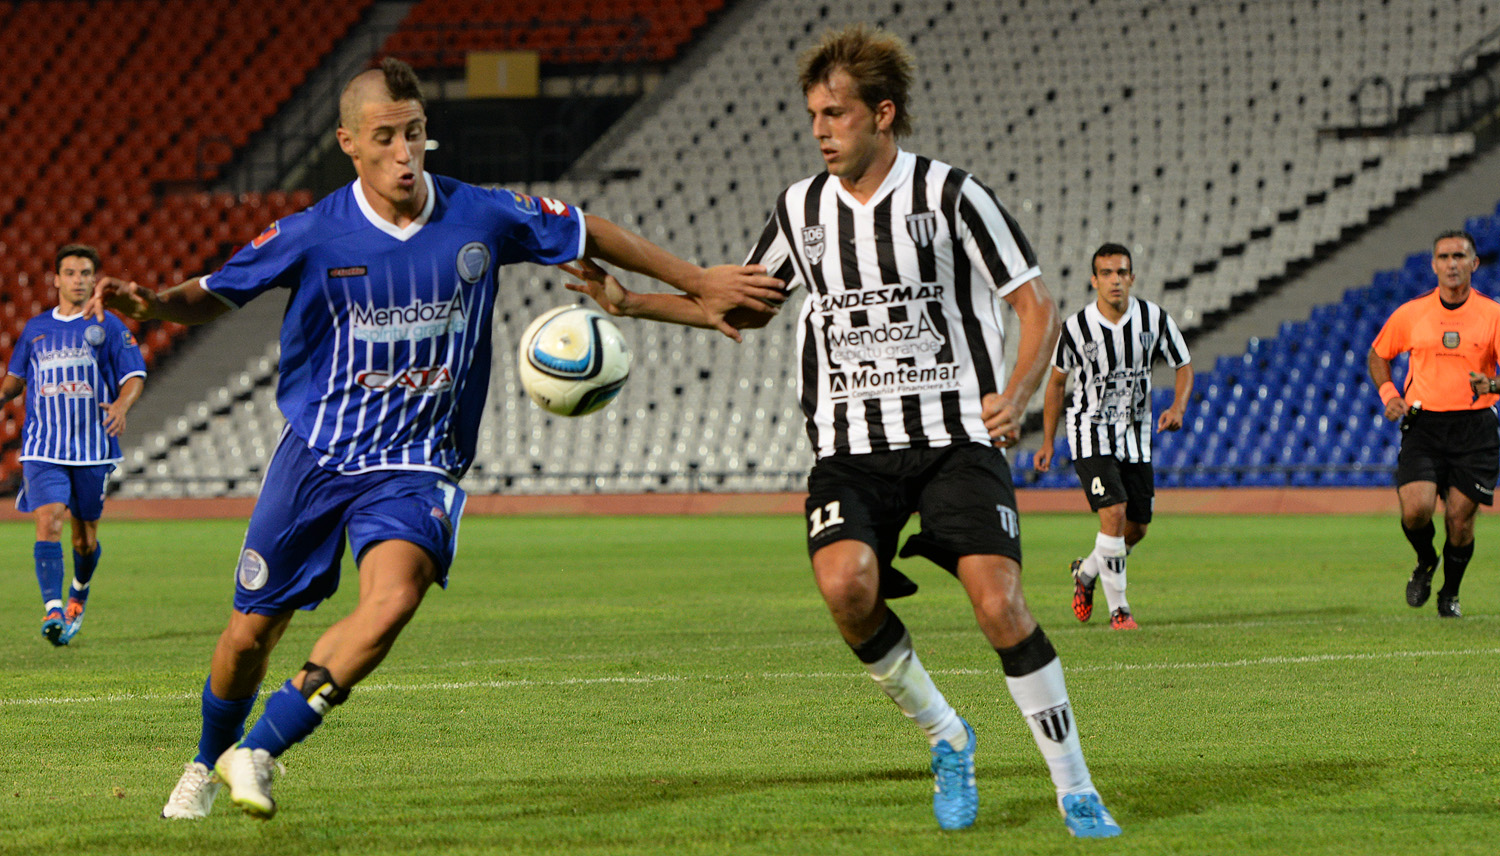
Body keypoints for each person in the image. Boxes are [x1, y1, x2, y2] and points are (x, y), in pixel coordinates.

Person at [86, 58, 784, 821]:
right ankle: (202, 761)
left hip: (418, 463)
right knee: (248, 636)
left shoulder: (478, 213)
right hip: (318, 455)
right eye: (385, 137)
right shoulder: (314, 232)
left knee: (394, 599)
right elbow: (215, 293)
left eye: (414, 133)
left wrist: (697, 281)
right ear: (349, 143)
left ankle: (259, 749)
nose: (404, 153)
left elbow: (589, 230)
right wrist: (154, 305)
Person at [566, 24, 1120, 838]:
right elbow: (744, 308)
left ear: (882, 114)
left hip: (955, 439)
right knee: (846, 590)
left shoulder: (950, 196)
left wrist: (1017, 392)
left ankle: (1075, 788)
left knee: (1000, 604)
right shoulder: (801, 209)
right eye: (814, 117)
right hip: (850, 450)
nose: (821, 131)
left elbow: (1035, 304)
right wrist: (630, 303)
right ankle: (947, 734)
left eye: (836, 114)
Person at [1033, 243, 1192, 630]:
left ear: (1132, 277)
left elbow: (1184, 365)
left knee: (1136, 528)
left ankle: (1086, 572)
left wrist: (1178, 408)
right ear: (1094, 280)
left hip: (1136, 435)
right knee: (1114, 513)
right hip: (1090, 432)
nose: (1115, 280)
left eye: (1121, 272)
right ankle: (1119, 610)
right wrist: (1048, 440)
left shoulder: (1154, 319)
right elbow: (1055, 384)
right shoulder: (1076, 328)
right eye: (1106, 273)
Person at [0, 244, 145, 646]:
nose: (78, 280)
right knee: (49, 520)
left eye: (85, 273)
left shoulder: (108, 325)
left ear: (94, 279)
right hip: (43, 446)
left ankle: (78, 592)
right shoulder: (35, 328)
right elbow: (15, 380)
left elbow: (134, 375)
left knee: (84, 540)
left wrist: (121, 404)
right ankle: (53, 610)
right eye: (70, 273)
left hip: (92, 448)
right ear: (56, 279)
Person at [1369, 229, 1500, 619]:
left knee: (1459, 520)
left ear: (1474, 263)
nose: (1451, 264)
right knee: (1416, 510)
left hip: (1475, 427)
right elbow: (1378, 355)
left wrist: (1493, 384)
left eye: (1459, 256)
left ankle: (1450, 593)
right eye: (1444, 257)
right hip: (1423, 423)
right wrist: (1389, 394)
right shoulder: (1412, 313)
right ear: (1433, 265)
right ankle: (1426, 560)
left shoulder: (1492, 315)